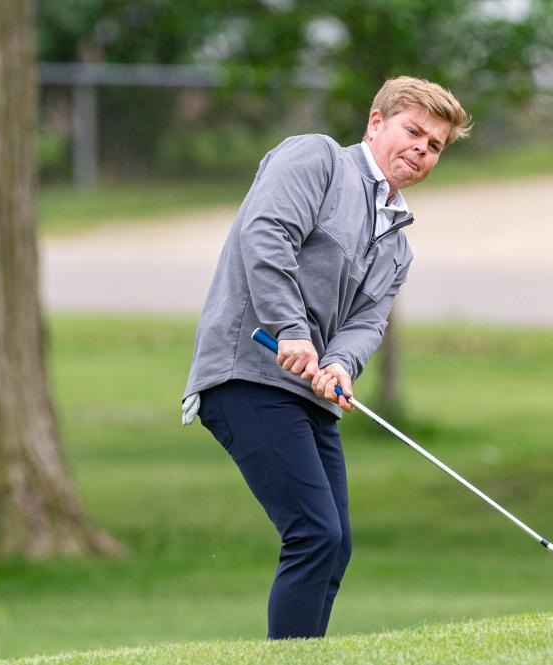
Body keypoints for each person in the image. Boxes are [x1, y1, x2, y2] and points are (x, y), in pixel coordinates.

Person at [181, 76, 471, 639]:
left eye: (435, 145)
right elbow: (266, 235)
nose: (421, 149)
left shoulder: (399, 242)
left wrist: (340, 365)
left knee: (334, 544)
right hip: (247, 372)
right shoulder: (317, 159)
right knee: (315, 533)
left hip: (309, 393)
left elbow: (368, 321)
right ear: (375, 122)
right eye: (414, 131)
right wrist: (290, 329)